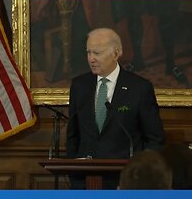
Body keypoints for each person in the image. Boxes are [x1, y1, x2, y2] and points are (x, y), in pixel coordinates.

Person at [65, 28, 165, 189]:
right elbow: (73, 135)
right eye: (88, 52)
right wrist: (73, 170)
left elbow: (155, 138)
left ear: (116, 53)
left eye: (97, 53)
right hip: (84, 181)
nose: (91, 59)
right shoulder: (79, 86)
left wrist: (140, 176)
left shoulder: (139, 88)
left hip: (125, 181)